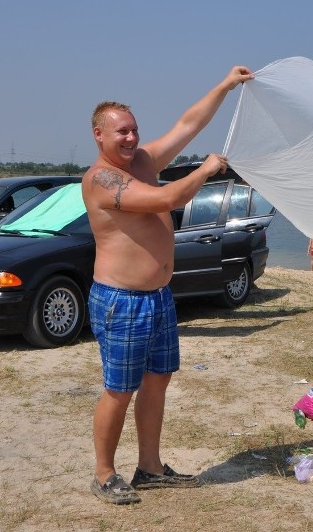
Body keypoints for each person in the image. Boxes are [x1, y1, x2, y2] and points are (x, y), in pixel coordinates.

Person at [82, 65, 254, 505]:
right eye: (120, 132)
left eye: (134, 130)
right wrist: (208, 169)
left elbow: (187, 124)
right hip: (121, 300)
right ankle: (104, 475)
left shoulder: (142, 162)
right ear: (99, 135)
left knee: (157, 381)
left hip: (158, 298)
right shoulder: (101, 179)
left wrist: (225, 85)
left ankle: (150, 468)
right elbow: (167, 199)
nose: (131, 138)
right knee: (119, 390)